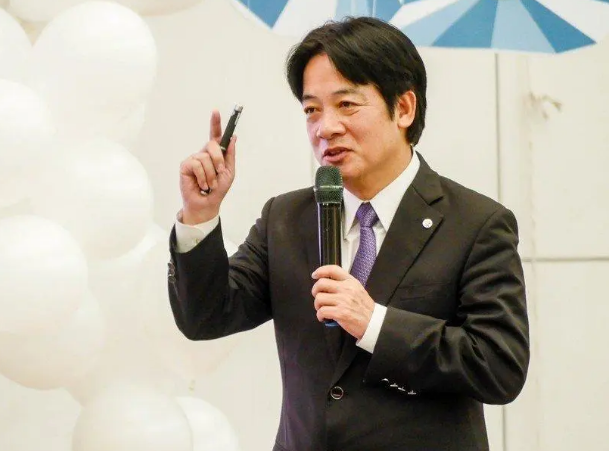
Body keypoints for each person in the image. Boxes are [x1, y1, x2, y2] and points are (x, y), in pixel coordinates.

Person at [167, 16, 529, 451]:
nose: (326, 128)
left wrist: (375, 322)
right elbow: (205, 317)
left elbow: (498, 366)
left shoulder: (476, 223)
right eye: (311, 110)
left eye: (347, 105)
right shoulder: (287, 217)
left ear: (404, 108)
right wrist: (200, 214)